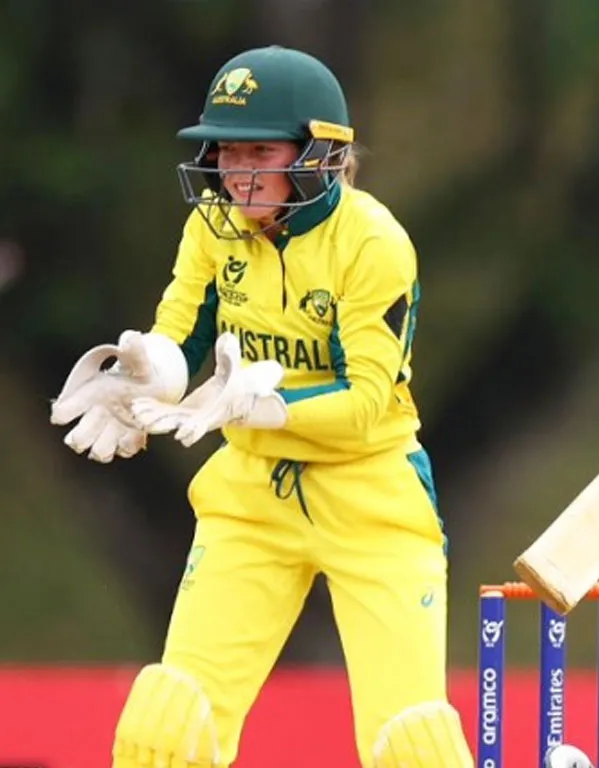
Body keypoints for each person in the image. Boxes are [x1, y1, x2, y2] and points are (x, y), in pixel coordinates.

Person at [50, 45, 475, 768]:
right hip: (252, 494)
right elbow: (181, 334)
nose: (236, 172)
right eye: (226, 151)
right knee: (168, 728)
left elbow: (366, 401)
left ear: (318, 154)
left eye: (260, 151)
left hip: (372, 495)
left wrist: (254, 404)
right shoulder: (213, 226)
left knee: (409, 745)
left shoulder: (372, 243)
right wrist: (143, 374)